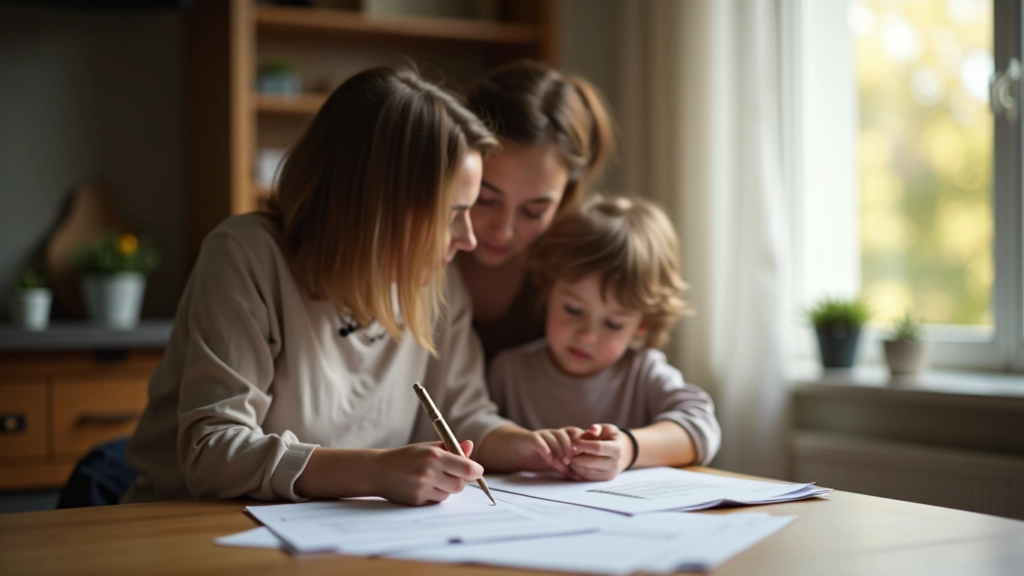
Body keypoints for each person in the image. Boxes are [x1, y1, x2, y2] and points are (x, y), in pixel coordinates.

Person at [123, 67, 577, 507]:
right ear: (382, 206)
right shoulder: (247, 255)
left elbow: (462, 414)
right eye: (451, 213)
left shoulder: (439, 281)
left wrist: (531, 448)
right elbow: (213, 451)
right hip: (190, 529)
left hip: (342, 531)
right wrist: (376, 472)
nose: (470, 239)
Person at [487, 196, 722, 481]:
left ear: (641, 325)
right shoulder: (508, 372)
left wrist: (628, 448)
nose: (587, 335)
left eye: (613, 323)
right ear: (548, 290)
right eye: (573, 310)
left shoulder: (643, 373)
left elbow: (701, 427)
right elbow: (476, 436)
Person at [455, 60, 615, 362]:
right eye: (485, 199)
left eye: (533, 211)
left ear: (565, 195)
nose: (503, 230)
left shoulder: (575, 269)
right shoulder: (416, 253)